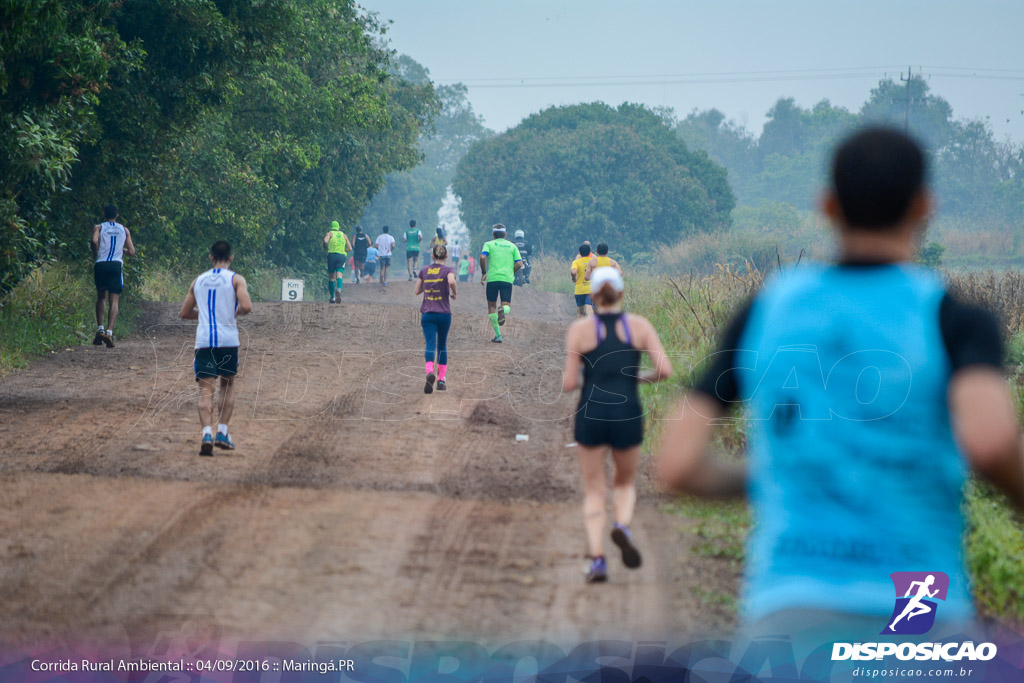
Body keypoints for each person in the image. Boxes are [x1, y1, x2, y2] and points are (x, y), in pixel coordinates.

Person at [656, 127, 1024, 640]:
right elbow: (989, 442)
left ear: (827, 205)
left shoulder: (768, 309)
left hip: (789, 610)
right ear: (924, 206)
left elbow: (677, 463)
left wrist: (783, 473)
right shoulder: (955, 318)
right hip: (917, 606)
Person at [562, 267, 672, 583]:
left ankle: (598, 560)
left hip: (592, 413)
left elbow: (570, 383)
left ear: (593, 296)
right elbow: (665, 370)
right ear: (622, 293)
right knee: (624, 483)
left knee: (594, 489)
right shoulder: (639, 326)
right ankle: (622, 525)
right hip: (628, 412)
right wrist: (641, 378)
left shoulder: (580, 330)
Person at [179, 241, 253, 456]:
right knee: (228, 385)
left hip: (204, 342)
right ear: (231, 258)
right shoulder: (236, 279)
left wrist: (205, 316)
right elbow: (246, 307)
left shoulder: (198, 280)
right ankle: (222, 431)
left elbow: (184, 313)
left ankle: (206, 434)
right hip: (228, 340)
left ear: (211, 257)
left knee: (205, 390)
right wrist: (229, 314)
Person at [91, 204, 136, 347]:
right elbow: (131, 251)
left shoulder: (99, 227)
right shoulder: (124, 229)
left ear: (104, 214)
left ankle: (100, 330)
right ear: (117, 215)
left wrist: (95, 252)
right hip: (116, 265)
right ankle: (110, 332)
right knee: (114, 299)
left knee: (101, 296)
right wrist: (121, 250)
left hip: (101, 264)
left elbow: (94, 241)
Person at [415, 243, 457, 394]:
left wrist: (428, 286)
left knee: (430, 344)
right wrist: (454, 293)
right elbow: (451, 281)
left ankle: (429, 372)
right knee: (442, 345)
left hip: (428, 314)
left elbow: (416, 291)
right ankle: (441, 380)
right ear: (446, 256)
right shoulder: (448, 270)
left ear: (432, 255)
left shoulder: (424, 270)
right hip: (444, 314)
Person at [479, 224, 522, 344]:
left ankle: (498, 335)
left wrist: (483, 272)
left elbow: (483, 257)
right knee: (506, 304)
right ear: (505, 234)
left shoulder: (489, 244)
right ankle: (503, 310)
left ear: (493, 234)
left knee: (491, 306)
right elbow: (519, 263)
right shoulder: (512, 246)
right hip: (506, 279)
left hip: (492, 279)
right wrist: (510, 271)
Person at [322, 221, 352, 303]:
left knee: (331, 277)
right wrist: (343, 250)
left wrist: (326, 246)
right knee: (339, 275)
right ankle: (339, 289)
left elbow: (325, 241)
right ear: (339, 228)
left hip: (332, 256)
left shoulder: (330, 233)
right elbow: (350, 248)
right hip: (341, 256)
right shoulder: (344, 235)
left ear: (331, 227)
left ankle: (332, 297)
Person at [570, 243, 594, 318]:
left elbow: (573, 271)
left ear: (579, 253)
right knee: (590, 309)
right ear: (590, 252)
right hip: (591, 289)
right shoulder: (593, 261)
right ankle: (592, 326)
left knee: (580, 313)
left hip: (580, 290)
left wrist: (574, 278)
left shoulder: (576, 262)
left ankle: (580, 329)